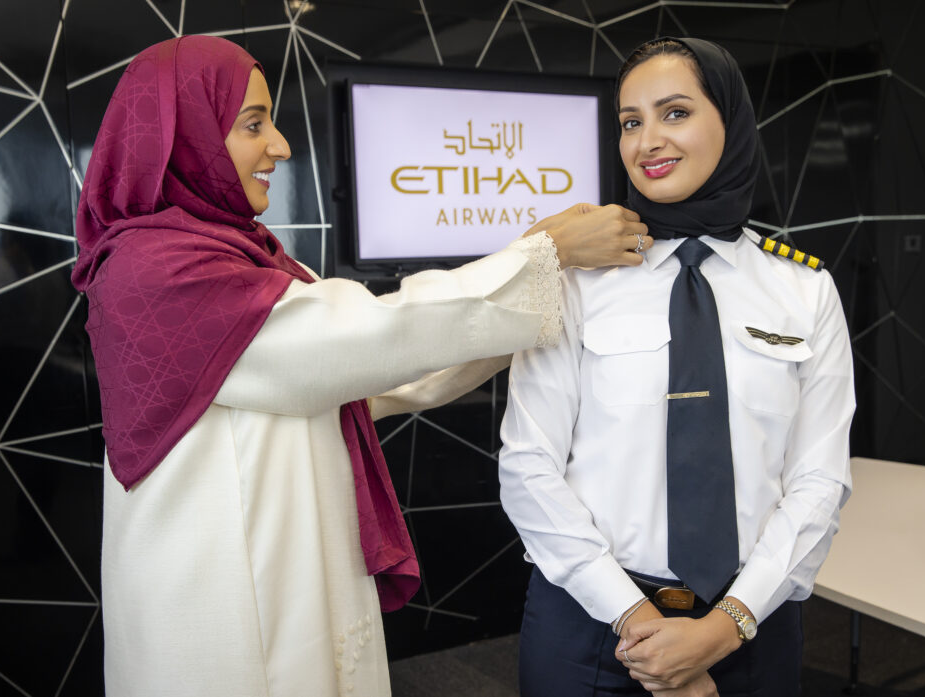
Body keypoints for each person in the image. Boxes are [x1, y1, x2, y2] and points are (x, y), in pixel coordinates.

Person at [70, 35, 652, 697]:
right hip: (226, 611)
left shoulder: (242, 260)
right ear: (186, 135)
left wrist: (541, 281)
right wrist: (540, 255)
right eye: (253, 123)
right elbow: (363, 340)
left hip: (281, 581)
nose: (281, 145)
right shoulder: (158, 271)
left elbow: (380, 371)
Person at [498, 37, 855, 696]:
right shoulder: (579, 282)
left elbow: (819, 479)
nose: (647, 141)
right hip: (590, 628)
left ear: (731, 121)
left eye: (675, 113)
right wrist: (637, 621)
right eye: (631, 122)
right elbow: (528, 466)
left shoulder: (804, 289)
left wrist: (723, 629)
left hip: (752, 627)